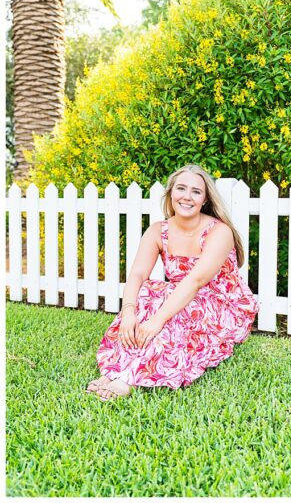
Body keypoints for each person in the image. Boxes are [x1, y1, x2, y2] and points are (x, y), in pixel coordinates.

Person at [85, 165, 258, 400]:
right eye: (181, 188)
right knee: (149, 293)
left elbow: (196, 281)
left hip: (220, 302)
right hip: (181, 295)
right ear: (170, 194)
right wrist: (128, 313)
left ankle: (129, 377)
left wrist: (157, 321)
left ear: (205, 199)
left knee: (174, 315)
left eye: (196, 191)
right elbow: (137, 275)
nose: (187, 196)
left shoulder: (219, 231)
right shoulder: (159, 230)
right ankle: (115, 369)